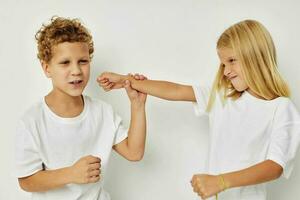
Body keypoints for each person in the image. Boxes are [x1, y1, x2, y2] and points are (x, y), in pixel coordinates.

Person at [97, 19, 300, 200]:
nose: (226, 71)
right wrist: (125, 80)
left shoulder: (281, 108)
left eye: (231, 61)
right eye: (223, 64)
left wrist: (220, 182)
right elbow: (176, 90)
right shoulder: (223, 98)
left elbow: (275, 167)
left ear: (255, 57)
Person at [15, 16, 147, 200]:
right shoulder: (32, 121)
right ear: (47, 68)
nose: (76, 70)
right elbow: (26, 180)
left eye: (83, 61)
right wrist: (71, 174)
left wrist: (137, 105)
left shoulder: (103, 112)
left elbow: (134, 152)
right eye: (65, 62)